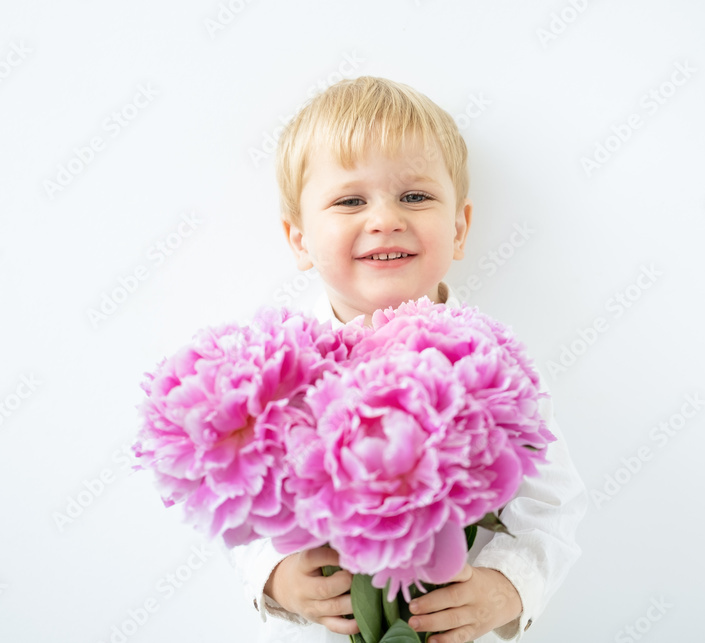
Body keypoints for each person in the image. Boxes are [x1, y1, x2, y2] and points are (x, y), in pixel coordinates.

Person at [228, 76, 587, 643]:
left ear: (460, 227)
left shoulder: (495, 367)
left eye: (415, 197)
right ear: (298, 239)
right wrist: (273, 578)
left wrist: (509, 585)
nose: (385, 219)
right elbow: (240, 495)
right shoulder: (280, 373)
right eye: (350, 201)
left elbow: (553, 501)